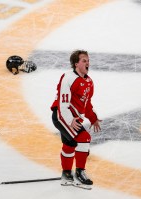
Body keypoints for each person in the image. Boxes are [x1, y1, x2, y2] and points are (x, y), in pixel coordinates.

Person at [50, 50, 101, 188]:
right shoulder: (68, 78)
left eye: (88, 60)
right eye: (84, 60)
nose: (87, 63)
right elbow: (62, 104)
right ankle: (80, 173)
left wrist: (93, 118)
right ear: (76, 63)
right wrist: (69, 120)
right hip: (61, 116)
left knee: (70, 144)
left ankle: (66, 174)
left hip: (72, 118)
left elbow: (87, 104)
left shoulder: (89, 82)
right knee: (83, 138)